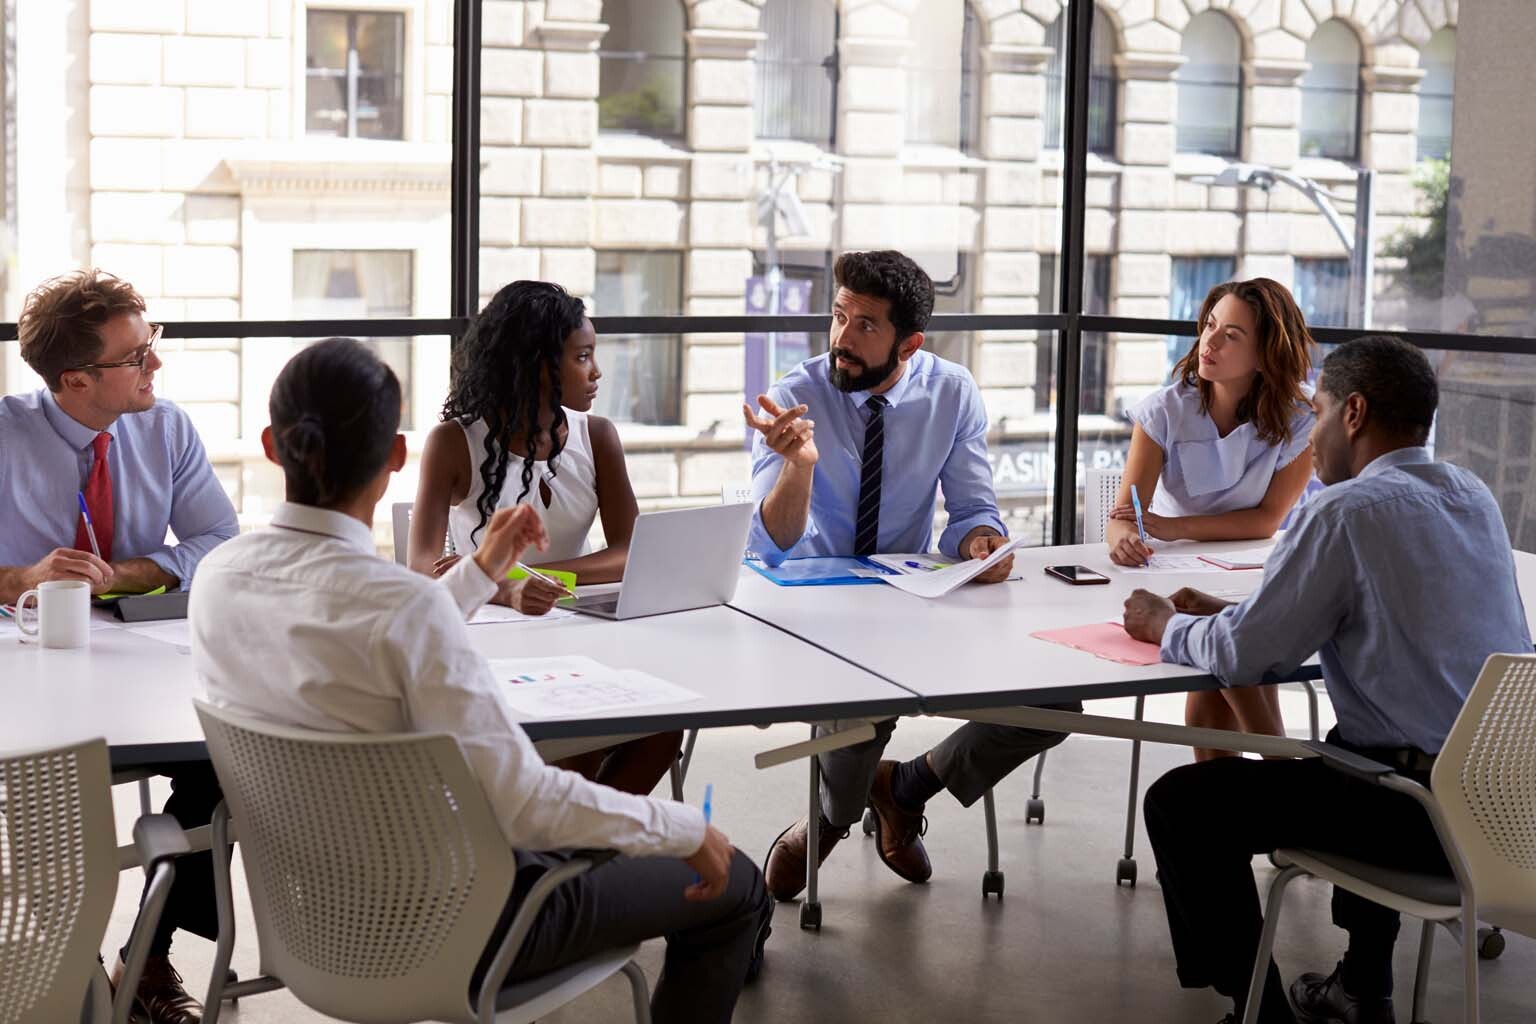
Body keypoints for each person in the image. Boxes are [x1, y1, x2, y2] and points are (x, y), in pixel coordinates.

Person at [192, 338, 771, 1023]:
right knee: (739, 886)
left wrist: (483, 570)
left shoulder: (220, 576)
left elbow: (395, 624)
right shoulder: (398, 608)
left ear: (270, 444)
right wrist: (683, 828)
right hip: (466, 929)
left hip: (312, 921)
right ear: (396, 458)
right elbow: (525, 805)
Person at [1123, 336, 1531, 1024]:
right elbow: (1403, 613)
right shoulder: (1472, 496)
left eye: (1318, 410)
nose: (1309, 434)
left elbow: (1246, 659)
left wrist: (1163, 626)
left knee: (1183, 805)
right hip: (1506, 799)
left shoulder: (1342, 510)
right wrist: (1256, 608)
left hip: (1418, 815)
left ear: (1355, 413)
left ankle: (1259, 1012)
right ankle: (1363, 986)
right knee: (1355, 745)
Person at [745, 249, 1074, 899]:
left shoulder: (951, 392)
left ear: (910, 342)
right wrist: (800, 466)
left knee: (1055, 701)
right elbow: (771, 543)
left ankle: (906, 785)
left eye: (865, 325)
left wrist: (983, 541)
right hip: (813, 601)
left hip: (909, 594)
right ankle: (830, 823)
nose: (842, 336)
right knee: (859, 706)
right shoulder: (793, 397)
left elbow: (973, 510)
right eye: (839, 316)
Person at [0, 269, 237, 1024]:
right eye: (136, 357)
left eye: (151, 346)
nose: (154, 367)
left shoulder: (166, 428)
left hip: (143, 663)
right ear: (73, 379)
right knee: (49, 784)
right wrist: (20, 578)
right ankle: (78, 965)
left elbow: (220, 543)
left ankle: (149, 958)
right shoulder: (3, 433)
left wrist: (129, 572)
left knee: (225, 758)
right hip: (31, 670)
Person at [410, 280, 682, 795]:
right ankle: (572, 857)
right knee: (578, 742)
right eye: (582, 357)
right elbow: (420, 573)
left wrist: (536, 576)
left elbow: (632, 552)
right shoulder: (452, 443)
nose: (597, 372)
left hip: (579, 632)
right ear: (537, 364)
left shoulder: (597, 436)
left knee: (665, 727)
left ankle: (582, 854)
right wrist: (504, 587)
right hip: (489, 639)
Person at [1107, 278, 1316, 760]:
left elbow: (1266, 521)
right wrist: (1124, 538)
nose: (1210, 341)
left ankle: (1267, 781)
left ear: (1266, 354)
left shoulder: (1302, 416)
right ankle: (1275, 774)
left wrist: (1170, 528)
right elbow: (1126, 516)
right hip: (1178, 573)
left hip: (1254, 569)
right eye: (1209, 326)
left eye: (1232, 335)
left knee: (1222, 669)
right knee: (1220, 682)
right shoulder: (1164, 410)